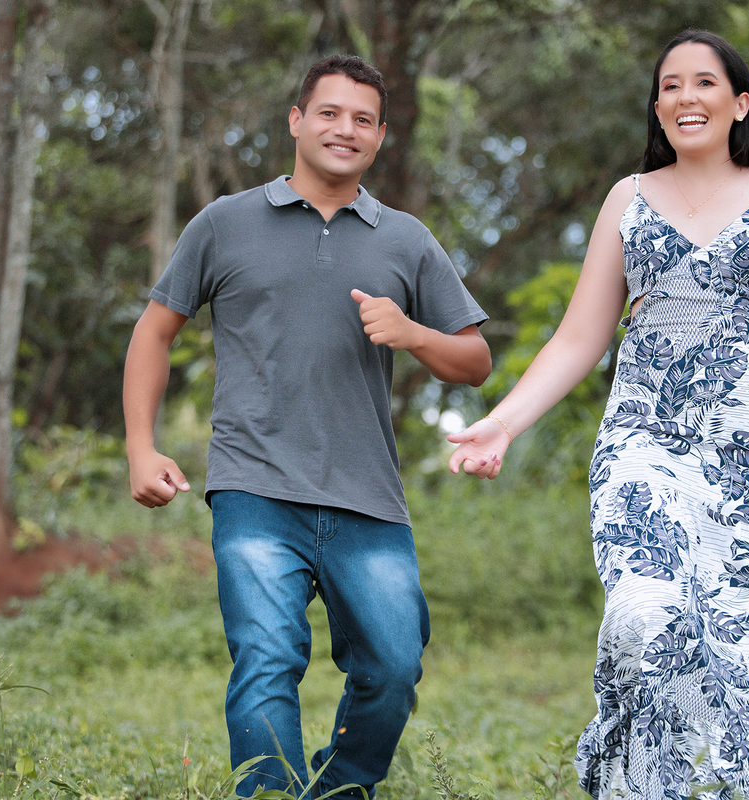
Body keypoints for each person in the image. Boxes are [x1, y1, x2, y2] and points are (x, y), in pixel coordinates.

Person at [447, 29, 749, 800]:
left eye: (704, 82)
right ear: (658, 108)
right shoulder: (628, 199)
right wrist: (504, 422)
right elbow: (578, 337)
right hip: (645, 436)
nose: (686, 96)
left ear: (739, 103)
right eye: (670, 85)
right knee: (646, 617)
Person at [123, 54, 491, 799]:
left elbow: (475, 361)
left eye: (363, 119)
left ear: (380, 136)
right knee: (266, 660)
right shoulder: (224, 223)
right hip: (254, 487)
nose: (344, 129)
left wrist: (412, 333)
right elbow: (154, 333)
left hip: (368, 497)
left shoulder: (406, 239)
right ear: (296, 121)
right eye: (328, 113)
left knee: (393, 665)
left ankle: (340, 789)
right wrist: (140, 446)